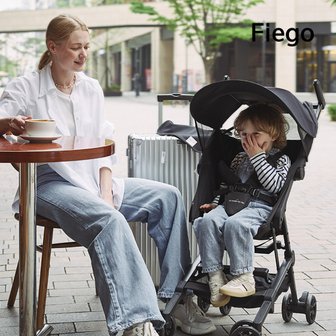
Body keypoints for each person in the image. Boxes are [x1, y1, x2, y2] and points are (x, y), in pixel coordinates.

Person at [0, 14, 215, 336]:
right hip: (47, 183)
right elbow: (1, 118)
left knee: (167, 196)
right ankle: (135, 323)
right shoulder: (26, 86)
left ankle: (176, 300)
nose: (83, 54)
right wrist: (9, 123)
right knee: (109, 220)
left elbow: (104, 143)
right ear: (53, 47)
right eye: (76, 48)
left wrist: (104, 191)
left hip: (92, 178)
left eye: (86, 46)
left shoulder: (91, 88)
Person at [193, 104, 291, 307]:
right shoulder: (239, 158)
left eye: (256, 134)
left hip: (259, 207)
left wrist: (258, 158)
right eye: (244, 134)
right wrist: (215, 203)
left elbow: (274, 185)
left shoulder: (281, 159)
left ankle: (244, 277)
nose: (249, 140)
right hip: (231, 203)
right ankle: (215, 275)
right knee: (206, 222)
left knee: (235, 225)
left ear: (273, 135)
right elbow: (227, 185)